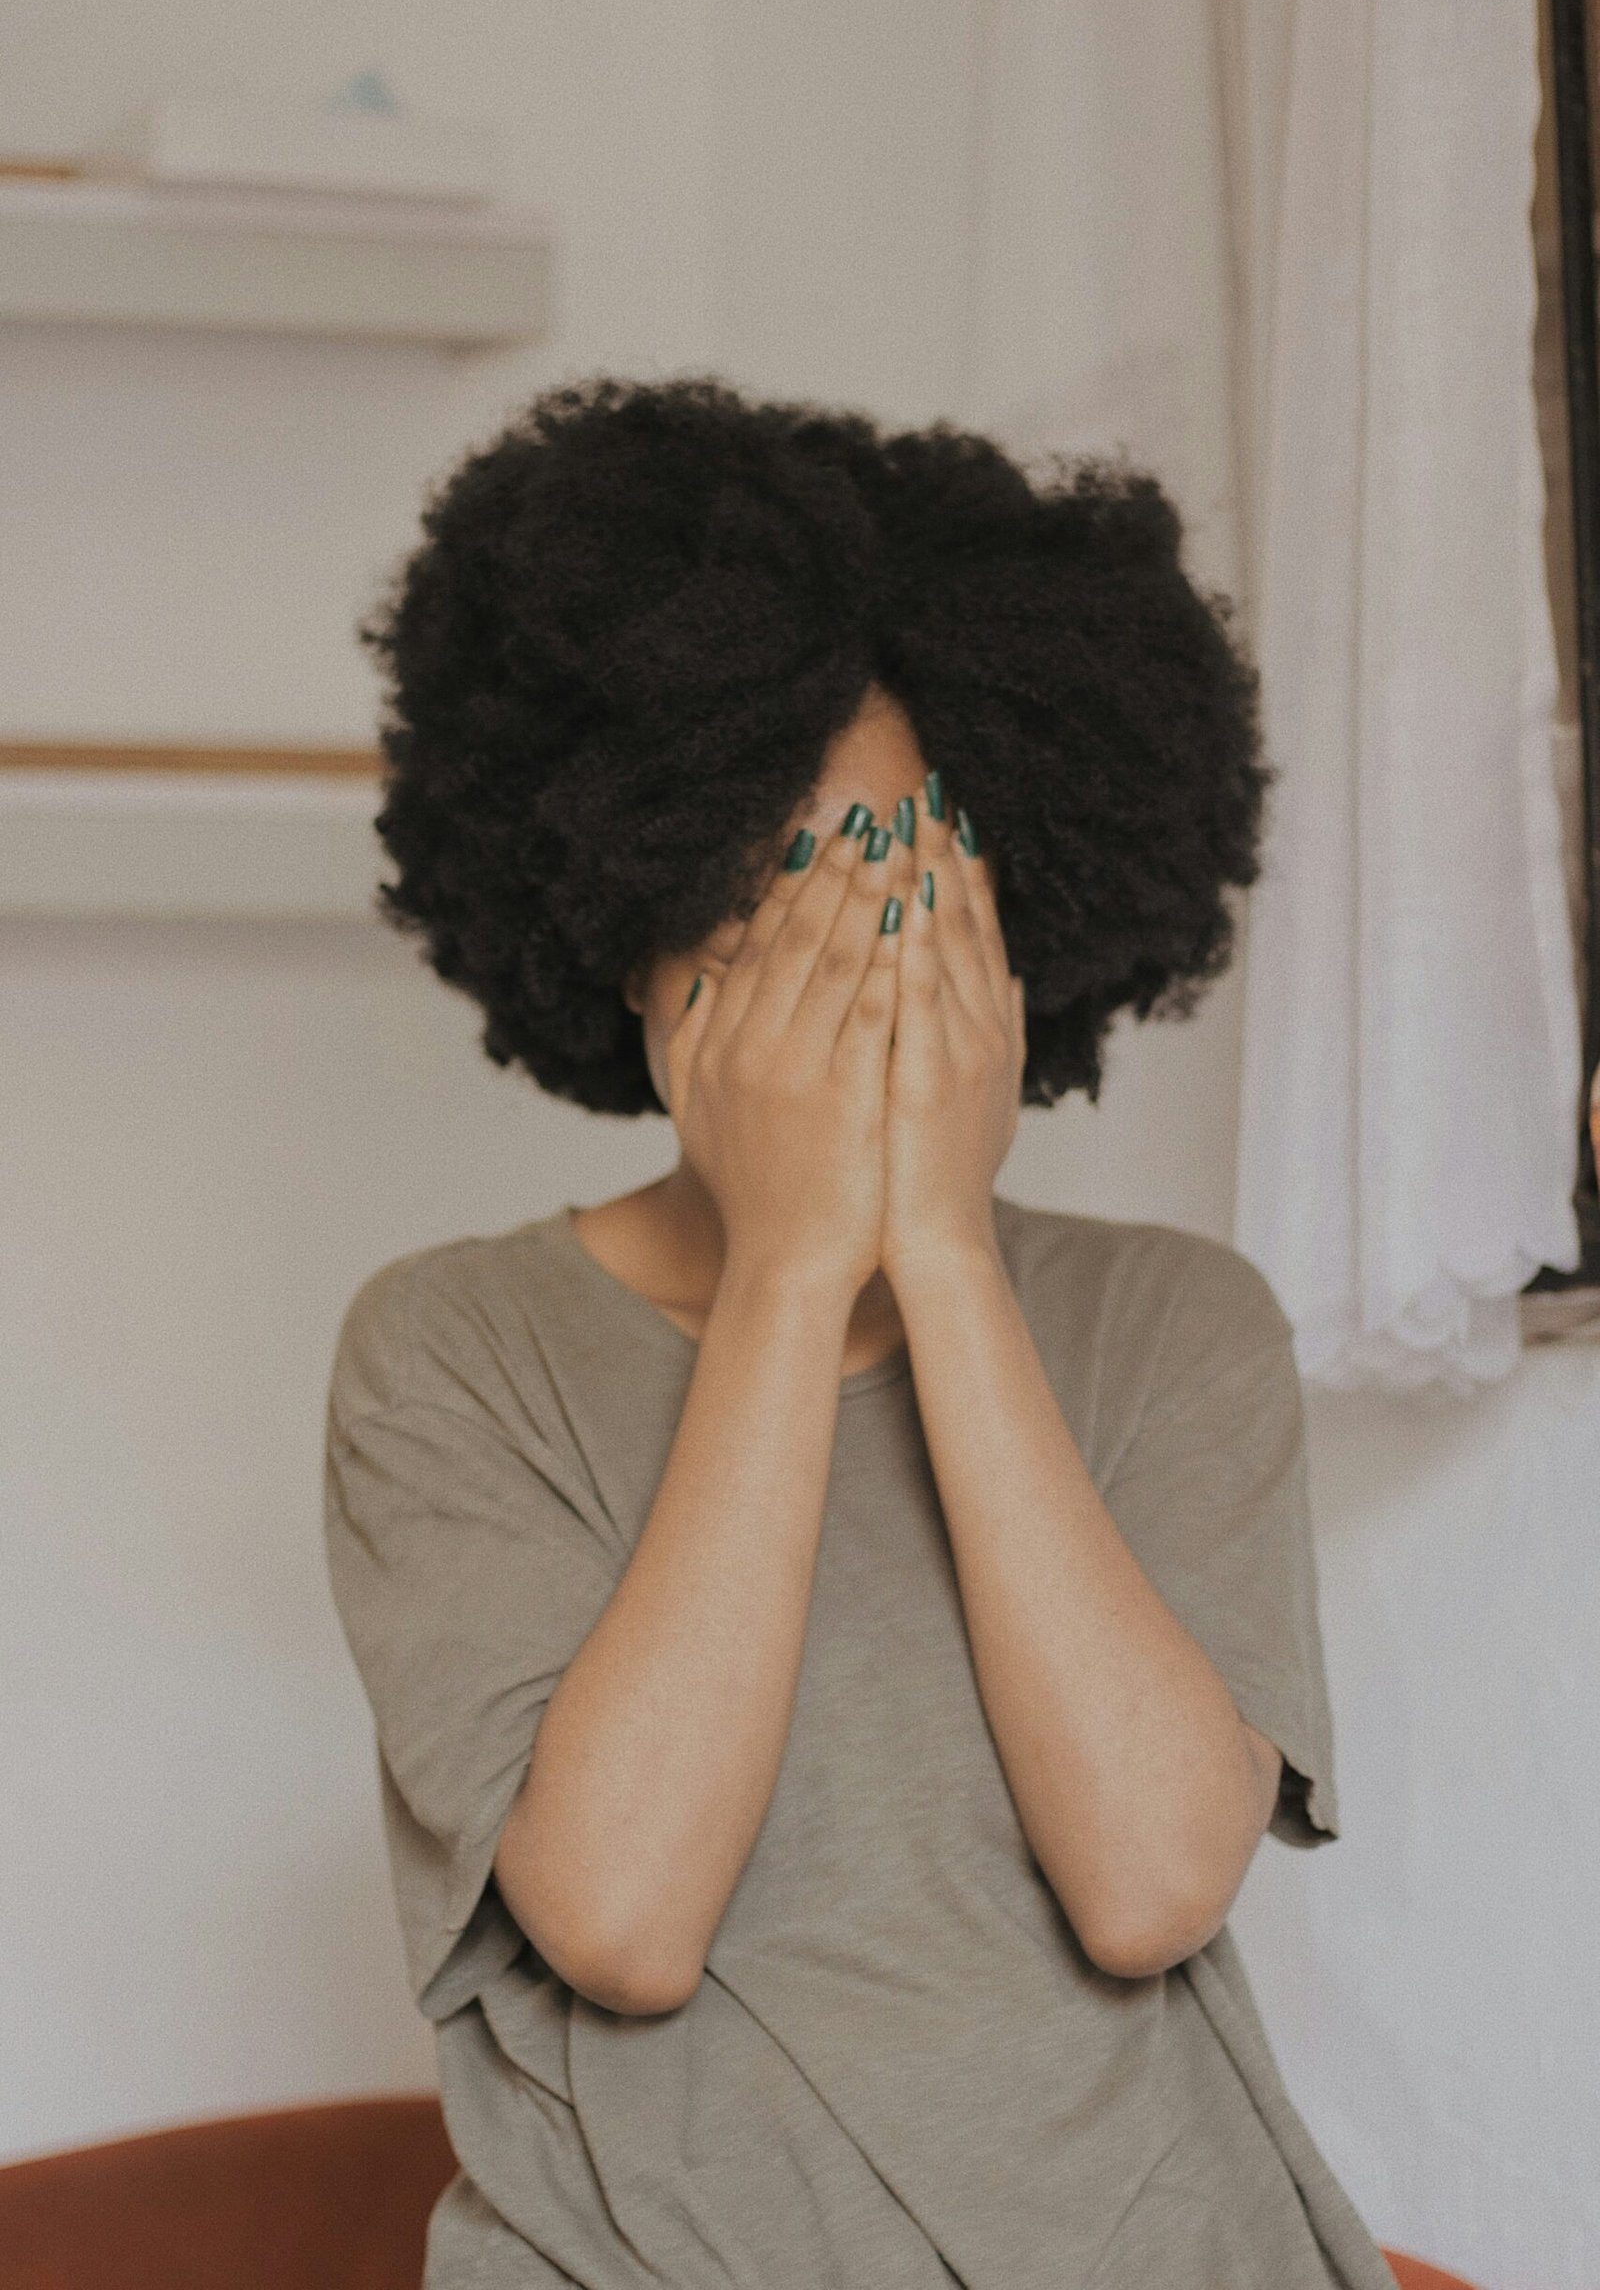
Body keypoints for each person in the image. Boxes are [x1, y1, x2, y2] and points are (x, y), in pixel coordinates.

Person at [323, 374, 1399, 2288]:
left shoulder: (1178, 1329)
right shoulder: (452, 1349)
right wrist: (798, 1266)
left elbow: (1152, 1886)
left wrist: (945, 1259)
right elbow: (626, 1921)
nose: (834, 969)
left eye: (899, 891)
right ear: (627, 918)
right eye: (761, 892)